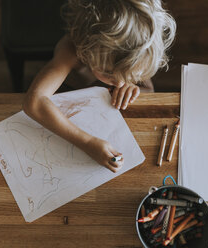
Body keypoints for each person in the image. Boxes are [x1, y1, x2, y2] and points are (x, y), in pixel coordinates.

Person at [23, 0, 176, 173]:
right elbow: (34, 102)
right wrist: (87, 143)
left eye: (130, 75)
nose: (119, 83)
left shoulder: (139, 51)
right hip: (72, 96)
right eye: (109, 73)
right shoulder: (71, 50)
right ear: (84, 51)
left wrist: (134, 85)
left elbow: (148, 90)